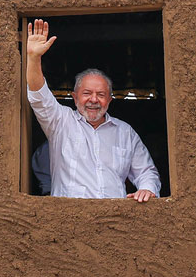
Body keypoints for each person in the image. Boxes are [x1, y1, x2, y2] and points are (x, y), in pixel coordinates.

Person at [24, 19, 160, 201]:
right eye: (87, 93)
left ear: (110, 100)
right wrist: (34, 58)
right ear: (74, 97)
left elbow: (146, 172)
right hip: (68, 219)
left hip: (115, 220)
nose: (94, 100)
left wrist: (147, 189)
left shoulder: (125, 132)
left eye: (101, 94)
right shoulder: (60, 122)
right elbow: (39, 96)